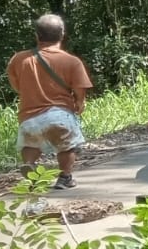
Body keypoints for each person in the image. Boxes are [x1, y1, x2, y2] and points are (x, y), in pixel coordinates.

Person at [6, 14, 95, 190]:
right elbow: (79, 89)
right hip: (59, 114)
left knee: (30, 144)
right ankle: (65, 177)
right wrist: (80, 103)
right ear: (62, 34)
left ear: (37, 35)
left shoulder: (19, 59)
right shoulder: (71, 61)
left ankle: (30, 167)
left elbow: (16, 86)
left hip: (29, 116)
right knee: (67, 147)